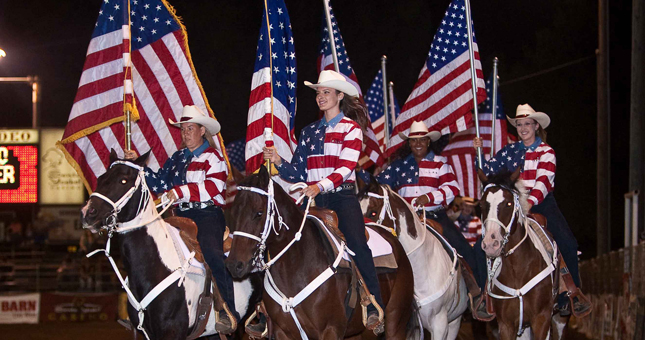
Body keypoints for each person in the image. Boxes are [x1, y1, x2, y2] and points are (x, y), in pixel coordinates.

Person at [263, 70, 384, 332]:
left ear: (340, 96)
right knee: (277, 239)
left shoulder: (351, 129)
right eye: (318, 92)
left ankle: (373, 303)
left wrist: (319, 186)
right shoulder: (309, 132)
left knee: (357, 244)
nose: (320, 97)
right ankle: (265, 309)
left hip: (341, 198)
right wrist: (278, 161)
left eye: (326, 92)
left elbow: (345, 168)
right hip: (312, 199)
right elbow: (297, 172)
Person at [124, 105, 237, 332]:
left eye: (190, 128)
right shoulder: (177, 158)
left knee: (213, 254)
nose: (185, 133)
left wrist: (181, 191)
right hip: (178, 215)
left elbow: (213, 186)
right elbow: (159, 184)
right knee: (151, 250)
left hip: (206, 215)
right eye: (183, 129)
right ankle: (144, 309)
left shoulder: (213, 157)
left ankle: (227, 310)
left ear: (202, 131)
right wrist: (138, 165)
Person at [473, 103, 590, 316]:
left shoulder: (546, 151)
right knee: (480, 247)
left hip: (541, 204)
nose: (523, 128)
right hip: (511, 206)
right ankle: (485, 294)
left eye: (527, 123)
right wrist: (478, 152)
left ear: (536, 125)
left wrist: (528, 203)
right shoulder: (509, 151)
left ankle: (570, 295)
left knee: (567, 242)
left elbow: (543, 182)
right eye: (519, 124)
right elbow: (488, 171)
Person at [373, 120, 493, 320]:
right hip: (405, 221)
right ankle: (378, 299)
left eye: (422, 140)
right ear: (409, 144)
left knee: (464, 250)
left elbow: (452, 188)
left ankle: (477, 294)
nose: (418, 144)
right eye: (414, 141)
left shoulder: (440, 162)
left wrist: (429, 197)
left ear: (428, 142)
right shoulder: (399, 166)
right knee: (382, 250)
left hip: (435, 215)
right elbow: (377, 185)